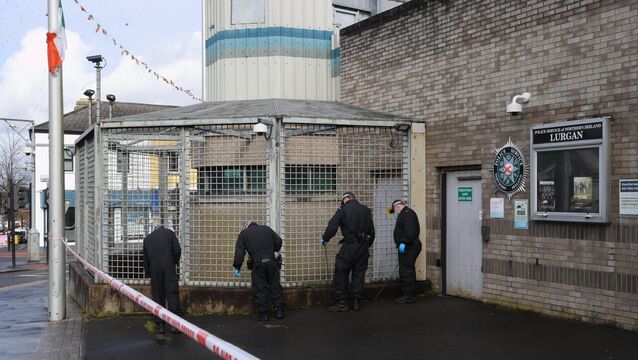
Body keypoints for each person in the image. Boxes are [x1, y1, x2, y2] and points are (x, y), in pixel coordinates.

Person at [320, 192, 375, 312]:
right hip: (363, 247)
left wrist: (325, 238)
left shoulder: (343, 209)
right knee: (359, 273)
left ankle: (341, 302)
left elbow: (332, 226)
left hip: (350, 246)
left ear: (345, 199)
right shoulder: (365, 210)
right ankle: (356, 301)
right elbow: (372, 231)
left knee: (341, 271)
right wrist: (366, 245)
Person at [233, 220, 286, 321]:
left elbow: (239, 251)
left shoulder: (244, 233)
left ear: (246, 227)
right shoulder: (266, 228)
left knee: (260, 288)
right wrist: (271, 250)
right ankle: (279, 311)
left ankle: (264, 314)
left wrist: (237, 266)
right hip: (271, 262)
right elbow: (278, 241)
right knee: (275, 285)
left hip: (258, 264)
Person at [143, 225, 182, 334]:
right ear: (163, 228)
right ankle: (175, 326)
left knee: (157, 294)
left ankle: (160, 326)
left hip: (154, 266)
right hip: (168, 264)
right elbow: (177, 250)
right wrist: (173, 262)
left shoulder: (147, 238)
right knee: (172, 292)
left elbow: (145, 259)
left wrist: (149, 273)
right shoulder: (170, 233)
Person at [389, 199, 422, 304]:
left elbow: (411, 232)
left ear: (398, 207)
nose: (396, 211)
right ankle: (410, 293)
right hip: (408, 246)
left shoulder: (408, 214)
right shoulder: (406, 213)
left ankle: (409, 295)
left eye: (395, 209)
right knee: (407, 269)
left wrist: (403, 242)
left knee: (406, 270)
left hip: (409, 246)